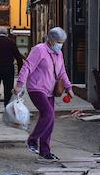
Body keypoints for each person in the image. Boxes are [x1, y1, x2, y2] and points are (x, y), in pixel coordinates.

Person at [15, 27, 72, 160]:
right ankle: (32, 140)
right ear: (51, 40)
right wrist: (19, 84)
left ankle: (45, 151)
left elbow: (62, 71)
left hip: (50, 90)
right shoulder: (39, 49)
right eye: (59, 42)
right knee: (48, 113)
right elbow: (27, 66)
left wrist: (69, 87)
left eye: (62, 42)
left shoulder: (58, 54)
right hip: (36, 88)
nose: (60, 45)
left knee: (50, 120)